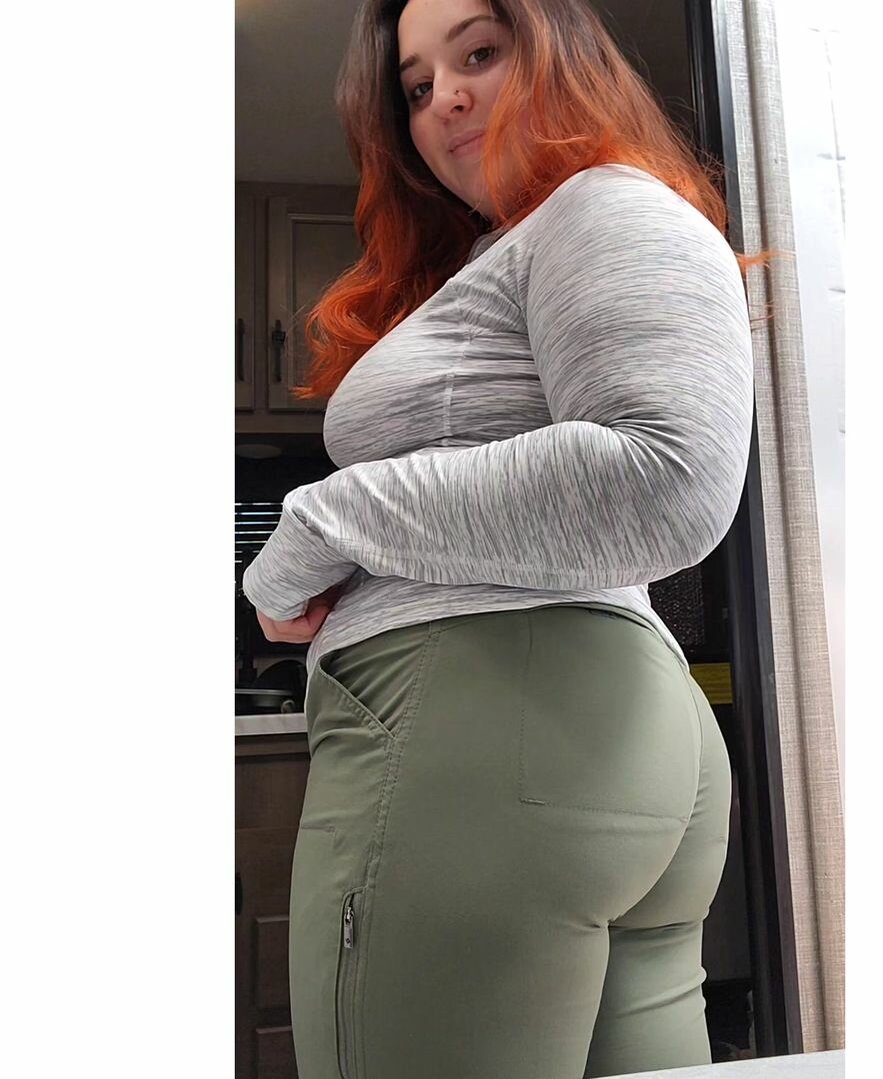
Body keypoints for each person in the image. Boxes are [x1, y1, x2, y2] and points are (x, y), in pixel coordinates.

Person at [241, 0, 756, 1075]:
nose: (446, 100)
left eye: (480, 51)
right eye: (417, 88)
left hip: (484, 724)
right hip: (572, 731)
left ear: (565, 54)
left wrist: (320, 520)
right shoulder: (523, 245)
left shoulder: (600, 206)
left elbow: (664, 478)